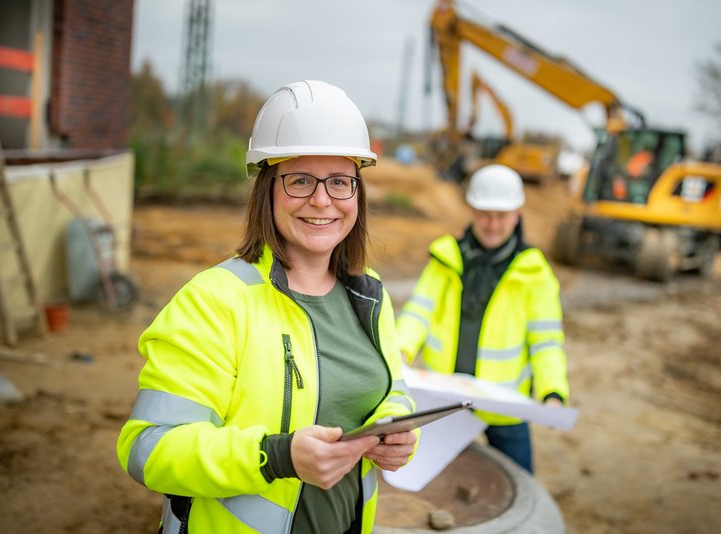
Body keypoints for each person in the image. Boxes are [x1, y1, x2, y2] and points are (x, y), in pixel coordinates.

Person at [116, 80, 418, 534]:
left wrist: (393, 427)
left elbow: (392, 386)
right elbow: (148, 449)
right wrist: (276, 456)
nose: (322, 200)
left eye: (340, 182)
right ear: (267, 190)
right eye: (300, 180)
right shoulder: (215, 300)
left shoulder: (369, 293)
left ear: (358, 193)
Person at [396, 163, 569, 474]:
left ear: (517, 214)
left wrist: (552, 392)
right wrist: (400, 352)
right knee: (429, 477)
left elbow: (546, 340)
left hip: (504, 406)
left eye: (501, 216)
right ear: (472, 211)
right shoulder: (446, 259)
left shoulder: (535, 273)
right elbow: (418, 313)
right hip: (446, 397)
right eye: (485, 214)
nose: (492, 224)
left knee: (520, 481)